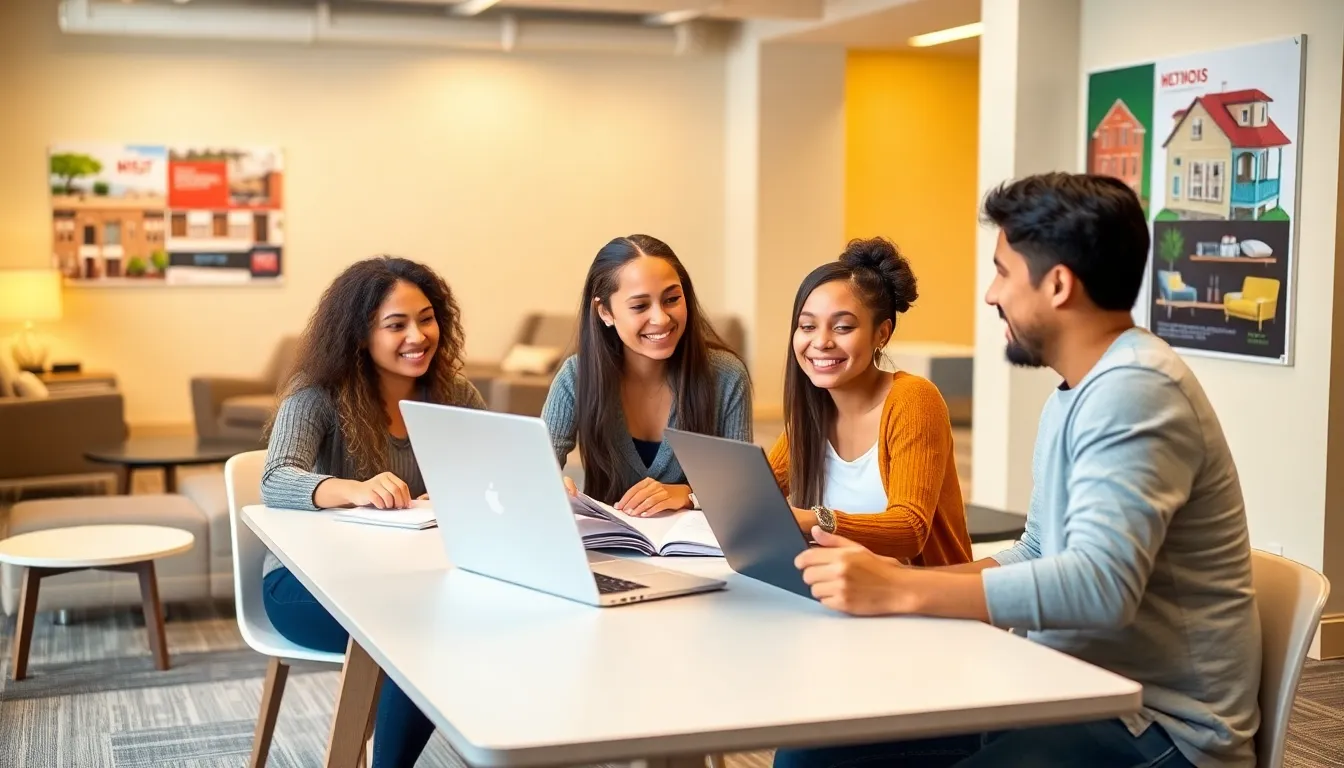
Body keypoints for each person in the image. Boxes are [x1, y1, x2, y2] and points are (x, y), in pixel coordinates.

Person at [777, 173, 1262, 768]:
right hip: (1056, 685)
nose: (990, 294)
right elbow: (1036, 550)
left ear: (1057, 285)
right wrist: (888, 588)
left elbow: (1100, 588)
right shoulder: (1074, 392)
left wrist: (903, 587)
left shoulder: (1136, 391)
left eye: (1003, 271)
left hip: (1154, 724)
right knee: (812, 756)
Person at [260, 256, 487, 768]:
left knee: (472, 620)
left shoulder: (455, 395)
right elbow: (275, 480)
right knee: (418, 635)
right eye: (396, 325)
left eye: (426, 318)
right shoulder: (317, 394)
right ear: (361, 336)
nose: (418, 335)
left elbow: (489, 482)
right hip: (307, 586)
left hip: (411, 582)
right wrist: (353, 489)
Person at [767, 237, 972, 566]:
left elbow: (909, 529)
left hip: (920, 599)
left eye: (843, 327)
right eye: (807, 326)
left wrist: (814, 519)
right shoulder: (814, 409)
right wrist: (691, 497)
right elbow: (760, 493)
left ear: (882, 334)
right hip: (837, 591)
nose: (821, 341)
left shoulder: (913, 400)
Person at [542, 234, 752, 514]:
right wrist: (551, 485)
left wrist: (688, 495)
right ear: (605, 311)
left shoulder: (726, 376)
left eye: (672, 299)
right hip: (608, 548)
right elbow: (535, 472)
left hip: (695, 553)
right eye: (640, 306)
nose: (662, 318)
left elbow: (743, 492)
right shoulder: (576, 377)